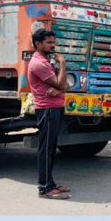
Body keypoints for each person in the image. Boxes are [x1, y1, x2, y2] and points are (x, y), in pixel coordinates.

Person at [27, 28, 71, 200]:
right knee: (46, 149)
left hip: (54, 107)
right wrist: (63, 65)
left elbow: (64, 85)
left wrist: (60, 86)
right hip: (47, 109)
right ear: (38, 44)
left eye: (54, 42)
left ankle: (50, 183)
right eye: (49, 42)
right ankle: (44, 189)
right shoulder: (38, 63)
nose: (53, 45)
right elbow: (62, 85)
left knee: (51, 148)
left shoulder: (46, 61)